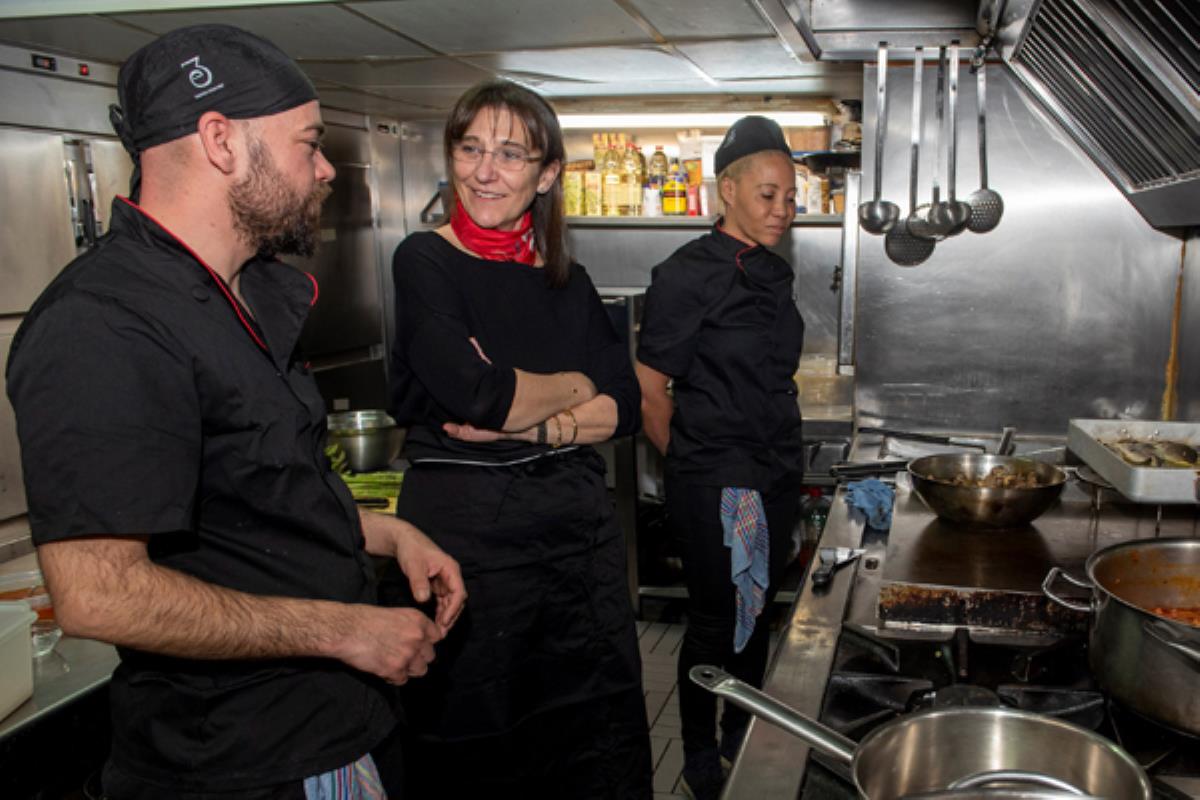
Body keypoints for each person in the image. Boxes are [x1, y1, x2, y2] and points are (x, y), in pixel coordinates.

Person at [5, 24, 465, 800]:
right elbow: (98, 592)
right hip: (243, 764)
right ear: (220, 140)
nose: (324, 170)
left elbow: (255, 497)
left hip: (332, 727)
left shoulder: (241, 293)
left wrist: (386, 531)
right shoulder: (104, 322)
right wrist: (345, 629)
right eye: (308, 144)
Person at [386, 79, 652, 798]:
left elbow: (625, 407)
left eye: (510, 154)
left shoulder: (569, 278)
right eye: (469, 149)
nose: (484, 171)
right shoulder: (424, 261)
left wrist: (538, 408)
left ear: (548, 174)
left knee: (591, 737)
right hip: (469, 544)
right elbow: (478, 394)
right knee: (476, 745)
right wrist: (575, 387)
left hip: (577, 547)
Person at [635, 116, 805, 800]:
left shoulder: (775, 271)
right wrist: (698, 469)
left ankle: (744, 730)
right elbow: (649, 390)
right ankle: (700, 756)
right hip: (718, 480)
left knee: (757, 613)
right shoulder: (685, 275)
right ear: (727, 189)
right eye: (767, 195)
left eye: (790, 199)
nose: (781, 210)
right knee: (714, 619)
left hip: (775, 474)